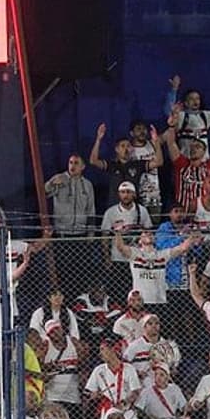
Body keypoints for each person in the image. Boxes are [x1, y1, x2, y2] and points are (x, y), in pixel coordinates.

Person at [113, 227, 201, 327]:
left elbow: (182, 248)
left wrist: (192, 234)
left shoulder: (161, 255)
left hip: (160, 300)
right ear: (140, 239)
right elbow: (120, 247)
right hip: (141, 302)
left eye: (151, 233)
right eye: (145, 233)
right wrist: (118, 232)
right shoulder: (134, 253)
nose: (148, 234)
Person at [45, 154, 97, 298]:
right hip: (63, 236)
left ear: (83, 167)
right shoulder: (60, 179)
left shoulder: (87, 185)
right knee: (63, 272)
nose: (72, 166)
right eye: (70, 162)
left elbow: (91, 209)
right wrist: (52, 182)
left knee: (80, 272)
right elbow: (45, 192)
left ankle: (79, 303)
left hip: (80, 236)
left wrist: (91, 233)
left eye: (76, 163)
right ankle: (63, 301)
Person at [165, 116, 210, 214]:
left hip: (203, 214)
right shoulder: (182, 164)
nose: (194, 148)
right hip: (183, 213)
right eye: (192, 146)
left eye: (198, 146)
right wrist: (171, 126)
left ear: (204, 151)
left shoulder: (209, 167)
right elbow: (171, 144)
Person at [163, 74, 210, 158]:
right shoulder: (181, 115)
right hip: (185, 162)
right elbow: (169, 113)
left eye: (197, 98)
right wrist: (174, 90)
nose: (195, 101)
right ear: (185, 102)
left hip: (203, 162)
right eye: (191, 99)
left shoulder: (205, 115)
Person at [99, 181, 154, 297]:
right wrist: (107, 258)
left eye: (128, 192)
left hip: (137, 258)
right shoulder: (111, 212)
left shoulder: (142, 211)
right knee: (117, 291)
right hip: (117, 258)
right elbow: (105, 237)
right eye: (123, 192)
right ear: (119, 194)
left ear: (134, 194)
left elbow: (148, 232)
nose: (125, 195)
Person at [89, 122, 164, 202]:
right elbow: (93, 161)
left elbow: (159, 162)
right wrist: (98, 139)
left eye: (128, 146)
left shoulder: (138, 164)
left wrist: (156, 142)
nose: (126, 149)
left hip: (133, 208)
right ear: (116, 149)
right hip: (115, 208)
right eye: (123, 146)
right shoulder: (112, 165)